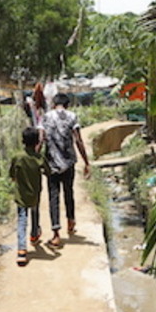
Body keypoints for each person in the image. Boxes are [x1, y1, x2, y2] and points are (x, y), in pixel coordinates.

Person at [37, 92, 90, 247]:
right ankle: (71, 221)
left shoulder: (46, 117)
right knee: (69, 191)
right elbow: (78, 140)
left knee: (53, 196)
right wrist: (86, 161)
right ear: (67, 105)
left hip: (51, 163)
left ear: (54, 104)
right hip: (68, 162)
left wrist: (35, 159)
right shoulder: (72, 116)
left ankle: (56, 234)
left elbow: (40, 140)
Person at [9, 127, 46, 266]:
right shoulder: (39, 158)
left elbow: (12, 175)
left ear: (23, 140)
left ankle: (22, 251)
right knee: (35, 213)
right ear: (37, 142)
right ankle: (34, 235)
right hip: (35, 193)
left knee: (22, 220)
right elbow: (48, 171)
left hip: (21, 195)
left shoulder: (17, 157)